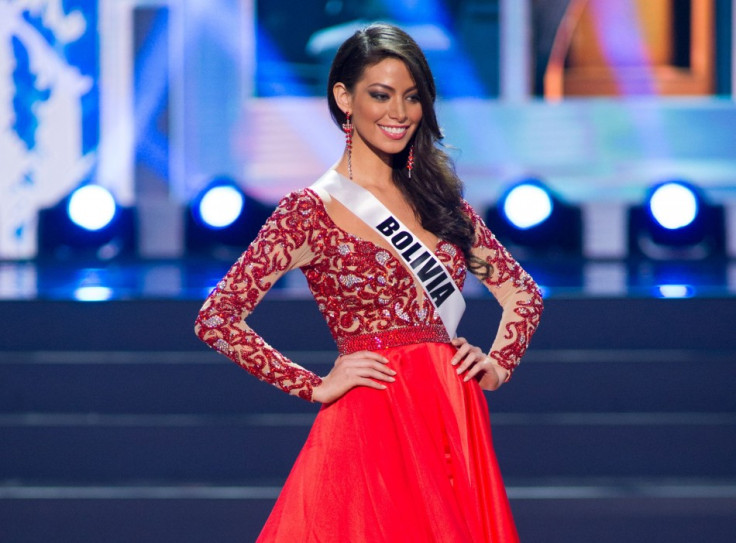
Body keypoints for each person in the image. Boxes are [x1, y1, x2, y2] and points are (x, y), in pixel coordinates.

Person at [195, 22, 543, 543]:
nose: (398, 113)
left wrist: (497, 364)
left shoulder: (441, 203)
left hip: (450, 413)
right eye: (380, 95)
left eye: (412, 97)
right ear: (344, 97)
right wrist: (312, 384)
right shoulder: (307, 213)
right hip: (372, 413)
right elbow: (216, 318)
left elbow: (523, 292)